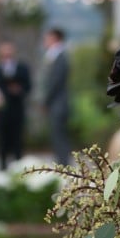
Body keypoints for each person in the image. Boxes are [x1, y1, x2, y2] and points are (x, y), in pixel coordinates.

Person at [0, 41, 31, 169]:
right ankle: (2, 167)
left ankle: (19, 167)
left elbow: (28, 86)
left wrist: (19, 90)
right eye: (4, 51)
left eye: (9, 50)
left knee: (18, 140)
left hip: (17, 109)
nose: (7, 53)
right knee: (2, 141)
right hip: (1, 111)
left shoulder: (22, 68)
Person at [42, 27, 71, 165]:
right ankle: (62, 162)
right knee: (57, 134)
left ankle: (64, 164)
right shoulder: (54, 56)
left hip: (58, 103)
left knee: (59, 135)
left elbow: (55, 82)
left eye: (47, 38)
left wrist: (46, 101)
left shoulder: (60, 57)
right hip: (56, 103)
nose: (45, 41)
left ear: (54, 38)